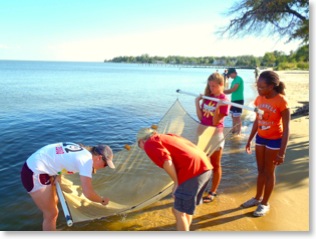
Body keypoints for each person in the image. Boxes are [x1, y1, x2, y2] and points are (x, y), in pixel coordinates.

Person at [20, 142, 115, 231]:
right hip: (34, 173)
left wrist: (59, 174)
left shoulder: (82, 150)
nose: (104, 167)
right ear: (99, 157)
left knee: (54, 202)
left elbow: (61, 157)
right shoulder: (87, 161)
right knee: (51, 214)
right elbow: (88, 193)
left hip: (38, 166)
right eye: (105, 164)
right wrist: (102, 200)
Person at [136, 128, 212, 231]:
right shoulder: (168, 136)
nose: (142, 149)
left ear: (141, 140)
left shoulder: (149, 143)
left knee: (178, 211)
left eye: (139, 145)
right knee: (184, 210)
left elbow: (167, 161)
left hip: (192, 172)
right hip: (205, 167)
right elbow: (189, 148)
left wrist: (177, 183)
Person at [241, 70, 290, 217]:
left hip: (275, 140)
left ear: (272, 86)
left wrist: (282, 152)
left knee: (269, 172)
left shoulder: (282, 101)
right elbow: (257, 120)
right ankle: (257, 198)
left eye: (261, 87)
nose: (258, 89)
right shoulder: (259, 99)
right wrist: (250, 139)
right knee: (260, 170)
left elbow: (287, 128)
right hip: (261, 138)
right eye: (257, 86)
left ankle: (264, 204)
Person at [195, 72, 230, 203]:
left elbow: (215, 122)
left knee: (215, 164)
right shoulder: (208, 97)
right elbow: (201, 118)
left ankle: (212, 192)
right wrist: (197, 102)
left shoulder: (224, 100)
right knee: (202, 163)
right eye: (210, 86)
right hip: (202, 134)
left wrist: (218, 107)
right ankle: (200, 188)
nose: (211, 89)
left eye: (214, 86)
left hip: (215, 135)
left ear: (221, 85)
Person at [224, 68, 244, 135]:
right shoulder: (233, 81)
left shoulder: (238, 79)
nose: (230, 76)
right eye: (229, 75)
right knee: (232, 116)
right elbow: (230, 91)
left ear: (234, 73)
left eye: (230, 74)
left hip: (239, 100)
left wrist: (222, 91)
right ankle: (234, 130)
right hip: (233, 100)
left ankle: (239, 132)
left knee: (237, 117)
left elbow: (234, 89)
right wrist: (222, 93)